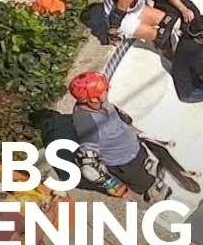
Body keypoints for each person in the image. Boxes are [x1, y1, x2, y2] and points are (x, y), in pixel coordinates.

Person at [69, 72, 171, 202]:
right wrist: (119, 190)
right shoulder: (87, 124)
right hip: (124, 164)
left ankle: (152, 177)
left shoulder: (101, 103)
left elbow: (121, 119)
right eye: (104, 90)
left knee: (150, 169)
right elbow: (90, 168)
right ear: (93, 98)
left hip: (136, 149)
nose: (108, 90)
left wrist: (141, 135)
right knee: (147, 184)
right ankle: (152, 193)